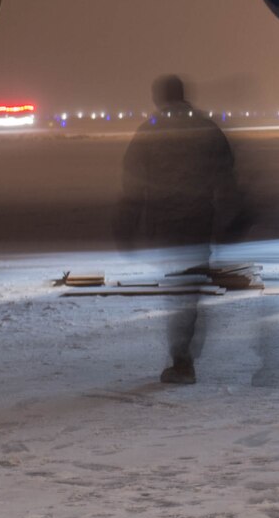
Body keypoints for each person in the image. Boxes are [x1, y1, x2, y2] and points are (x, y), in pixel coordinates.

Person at [116, 76, 271, 385]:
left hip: (166, 226)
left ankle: (183, 361)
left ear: (160, 98)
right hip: (199, 221)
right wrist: (236, 216)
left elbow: (133, 181)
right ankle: (184, 358)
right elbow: (226, 177)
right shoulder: (206, 128)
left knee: (179, 292)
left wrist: (127, 224)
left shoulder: (150, 130)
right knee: (190, 292)